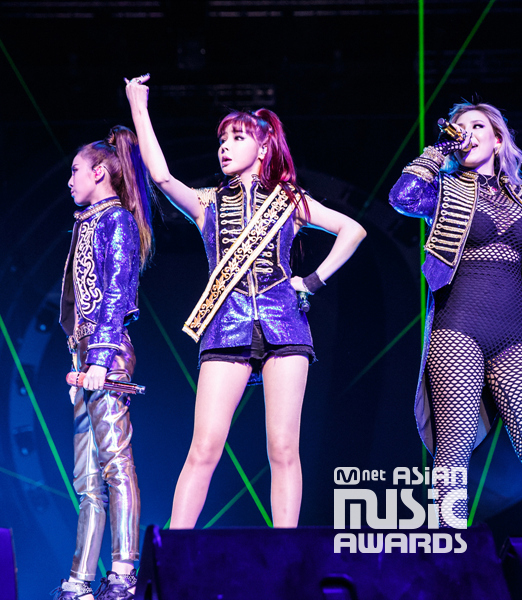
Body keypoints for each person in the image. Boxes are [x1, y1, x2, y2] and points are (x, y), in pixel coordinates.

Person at [125, 74, 366, 529]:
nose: (225, 147)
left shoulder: (289, 201)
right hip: (225, 326)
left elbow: (353, 230)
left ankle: (285, 551)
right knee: (204, 448)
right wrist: (139, 106)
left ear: (263, 146)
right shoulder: (206, 203)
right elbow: (161, 176)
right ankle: (173, 550)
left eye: (237, 138)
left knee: (283, 448)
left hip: (285, 324)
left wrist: (312, 281)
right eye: (222, 140)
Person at [388, 102, 522, 535]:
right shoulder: (444, 190)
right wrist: (440, 149)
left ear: (498, 140)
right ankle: (450, 556)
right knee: (453, 455)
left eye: (477, 126)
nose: (467, 133)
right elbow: (401, 198)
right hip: (458, 329)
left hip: (514, 336)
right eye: (459, 127)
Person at [52, 125, 156, 600]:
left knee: (115, 463)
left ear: (99, 172)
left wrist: (99, 357)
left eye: (75, 170)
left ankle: (123, 571)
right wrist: (80, 358)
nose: (69, 180)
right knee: (87, 477)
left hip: (106, 353)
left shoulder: (117, 221)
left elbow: (116, 294)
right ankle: (79, 580)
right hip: (85, 355)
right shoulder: (89, 220)